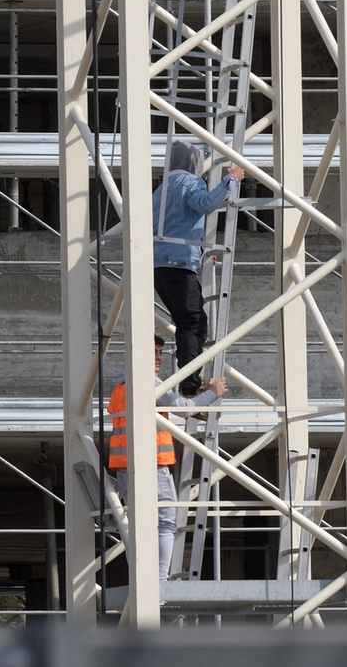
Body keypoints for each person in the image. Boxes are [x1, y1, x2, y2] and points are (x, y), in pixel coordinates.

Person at [107, 334, 228, 581]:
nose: (160, 357)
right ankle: (159, 582)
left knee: (137, 527)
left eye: (161, 352)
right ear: (138, 355)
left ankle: (142, 580)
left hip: (126, 468)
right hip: (152, 464)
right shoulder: (146, 382)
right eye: (154, 352)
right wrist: (212, 393)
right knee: (166, 522)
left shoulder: (121, 386)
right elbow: (184, 409)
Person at [152, 140, 245, 395]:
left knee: (187, 322)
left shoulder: (161, 190)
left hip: (159, 267)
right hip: (179, 265)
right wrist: (231, 180)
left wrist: (202, 253)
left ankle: (188, 381)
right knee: (193, 322)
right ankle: (190, 384)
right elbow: (205, 203)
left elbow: (174, 225)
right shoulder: (190, 182)